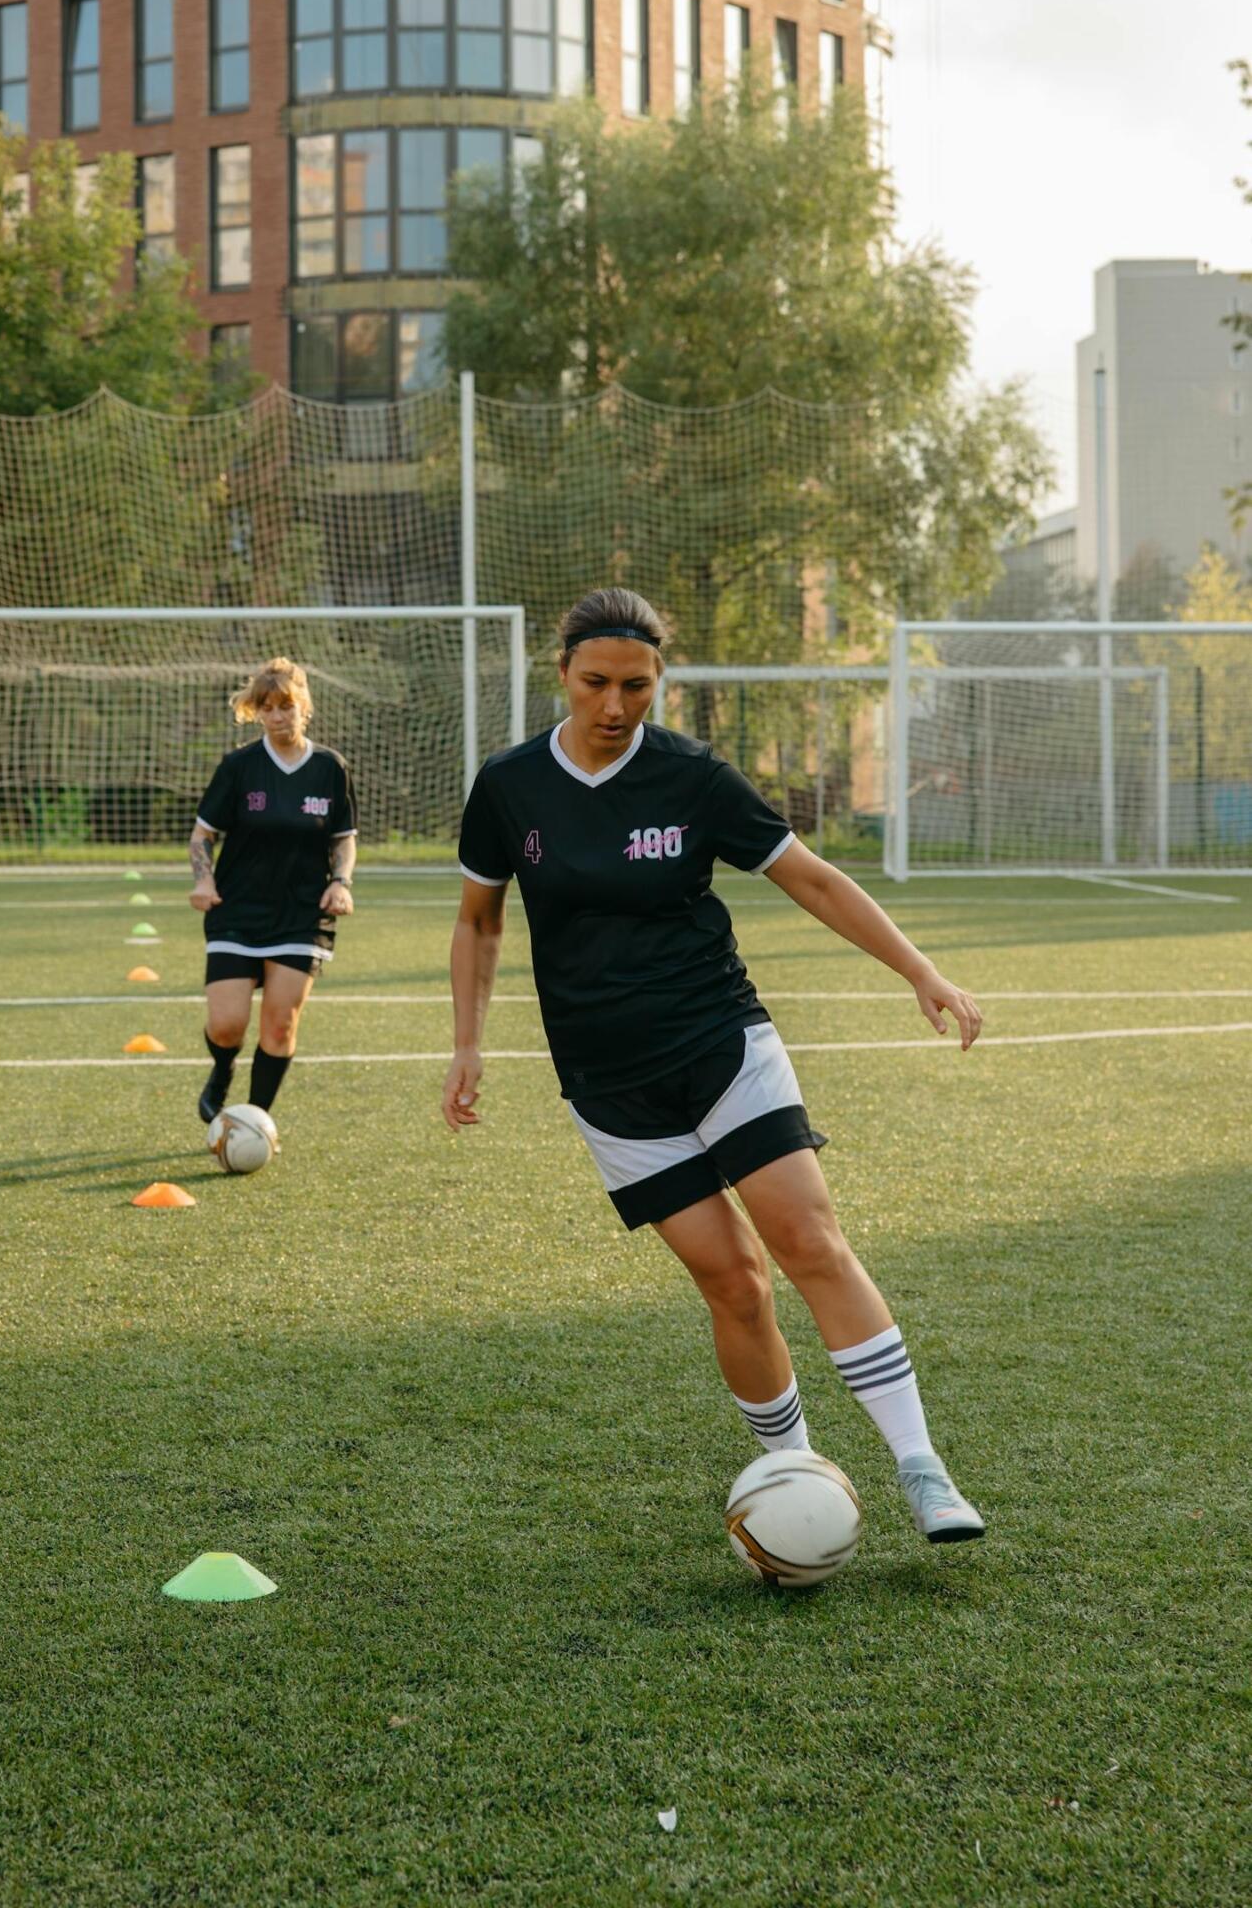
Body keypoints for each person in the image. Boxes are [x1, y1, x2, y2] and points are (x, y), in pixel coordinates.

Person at [442, 586, 987, 1548]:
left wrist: (920, 969)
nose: (615, 707)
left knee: (807, 1239)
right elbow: (479, 918)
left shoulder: (694, 777)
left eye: (637, 687)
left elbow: (808, 875)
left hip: (720, 1042)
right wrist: (468, 1043)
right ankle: (798, 1472)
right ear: (561, 675)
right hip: (607, 1080)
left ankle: (921, 1468)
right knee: (732, 1282)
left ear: (662, 681)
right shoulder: (509, 785)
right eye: (596, 684)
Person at [188, 658, 357, 1128]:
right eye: (267, 708)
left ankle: (253, 1121)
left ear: (304, 706)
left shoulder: (329, 768)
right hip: (237, 910)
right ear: (257, 713)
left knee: (279, 1025)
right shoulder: (239, 767)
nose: (277, 716)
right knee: (227, 1024)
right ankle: (222, 1072)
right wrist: (204, 879)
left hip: (301, 915)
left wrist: (340, 883)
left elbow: (344, 837)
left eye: (285, 705)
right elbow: (202, 835)